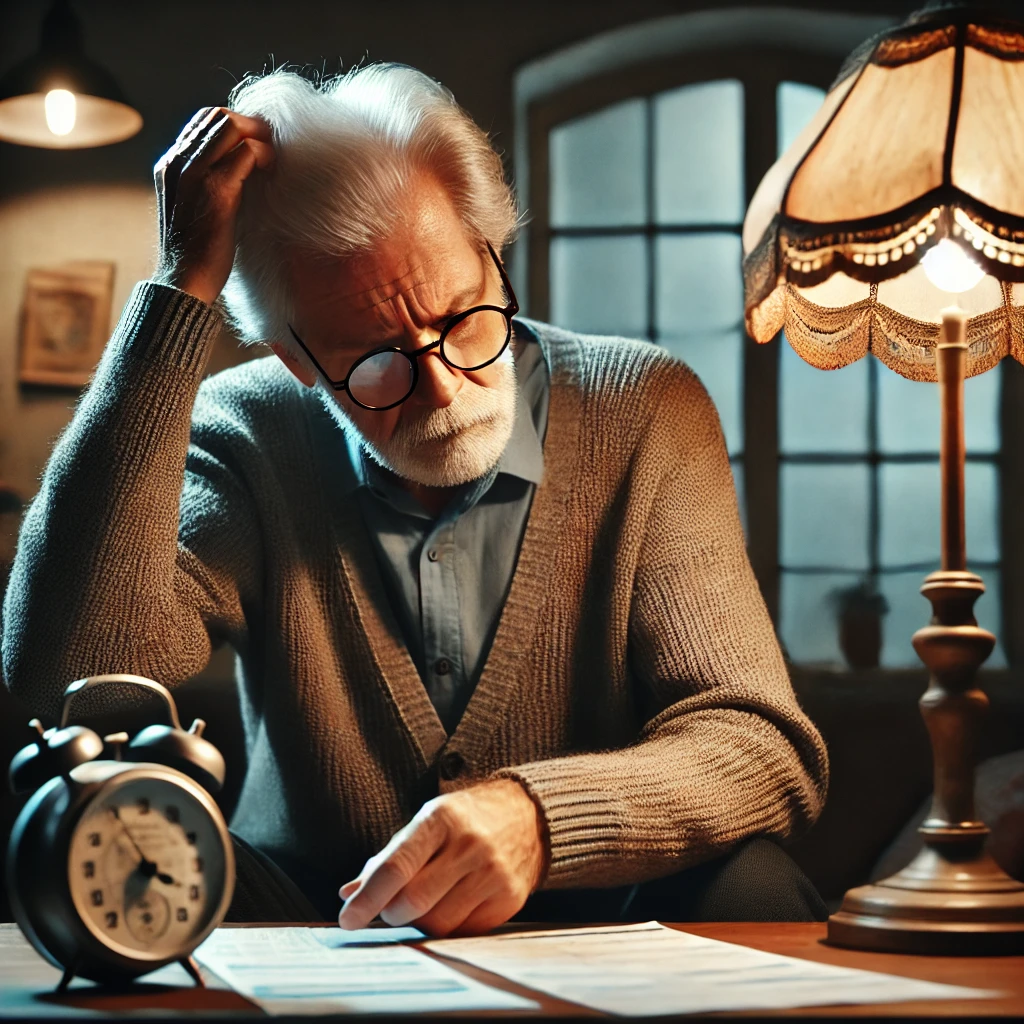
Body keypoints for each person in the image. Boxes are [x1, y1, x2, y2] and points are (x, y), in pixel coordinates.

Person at [2, 64, 829, 934]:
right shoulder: (245, 433)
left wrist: (536, 820)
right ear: (297, 362)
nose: (439, 389)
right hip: (316, 918)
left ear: (494, 256)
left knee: (755, 882)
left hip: (602, 913)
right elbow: (67, 667)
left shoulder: (646, 408)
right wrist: (179, 293)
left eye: (466, 319)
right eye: (376, 360)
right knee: (77, 836)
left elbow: (763, 748)